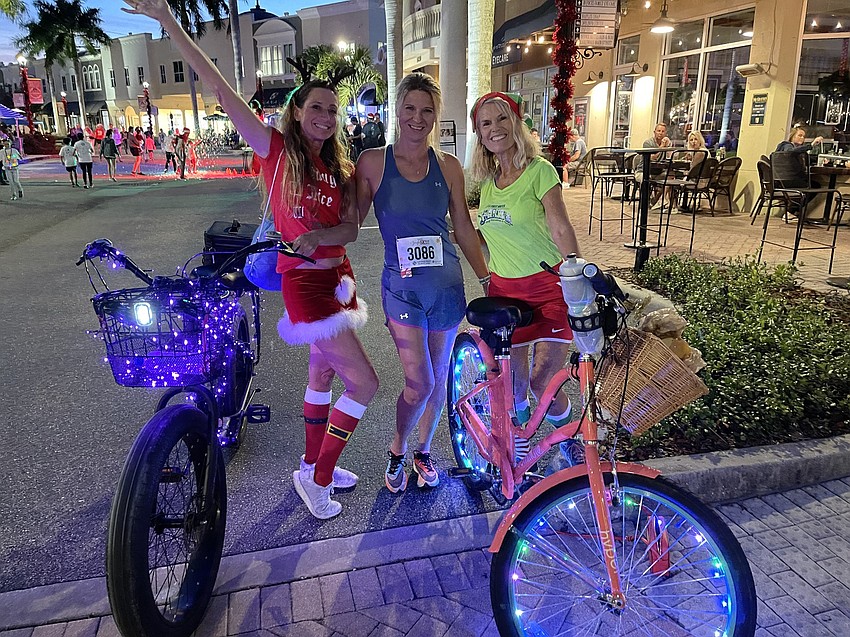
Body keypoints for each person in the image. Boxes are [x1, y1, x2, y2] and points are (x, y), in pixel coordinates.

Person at [122, 0, 378, 520]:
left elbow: (352, 229)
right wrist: (168, 20)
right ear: (297, 112)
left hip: (340, 279)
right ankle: (319, 481)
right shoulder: (277, 151)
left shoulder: (340, 167)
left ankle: (310, 465)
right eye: (317, 108)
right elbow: (221, 89)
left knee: (324, 378)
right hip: (306, 286)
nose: (326, 117)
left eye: (333, 110)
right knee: (366, 383)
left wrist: (322, 234)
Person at [356, 72, 490, 493]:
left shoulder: (448, 166)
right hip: (401, 291)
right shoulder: (373, 162)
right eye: (410, 108)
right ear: (397, 110)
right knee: (421, 383)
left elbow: (463, 227)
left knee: (438, 377)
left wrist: (486, 278)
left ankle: (424, 450)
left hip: (446, 287)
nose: (418, 118)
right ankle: (398, 447)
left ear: (436, 116)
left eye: (427, 110)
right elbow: (348, 221)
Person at [470, 91, 581, 463]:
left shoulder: (540, 171)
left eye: (502, 118)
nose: (495, 128)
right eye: (486, 123)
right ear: (480, 135)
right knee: (514, 384)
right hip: (505, 293)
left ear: (517, 124)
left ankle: (568, 442)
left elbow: (560, 226)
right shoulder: (489, 183)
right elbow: (490, 233)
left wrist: (577, 271)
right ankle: (516, 444)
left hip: (547, 289)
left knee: (542, 380)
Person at [640, 122, 673, 210]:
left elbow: (670, 157)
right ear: (654, 132)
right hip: (644, 170)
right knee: (646, 179)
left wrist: (669, 147)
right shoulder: (648, 143)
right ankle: (645, 204)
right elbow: (652, 158)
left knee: (670, 178)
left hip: (659, 171)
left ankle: (657, 201)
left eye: (663, 131)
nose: (660, 133)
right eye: (658, 131)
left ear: (665, 133)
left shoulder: (666, 143)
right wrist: (661, 147)